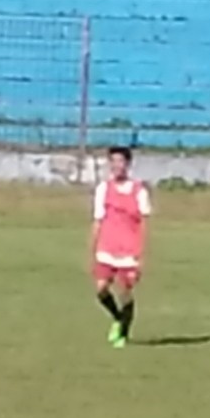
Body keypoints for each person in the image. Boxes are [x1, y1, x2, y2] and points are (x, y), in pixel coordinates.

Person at [92, 146, 150, 348]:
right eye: (113, 162)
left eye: (121, 162)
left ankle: (123, 332)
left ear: (128, 164)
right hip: (106, 247)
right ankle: (118, 318)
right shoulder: (103, 189)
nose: (117, 166)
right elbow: (98, 219)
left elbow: (143, 222)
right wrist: (93, 247)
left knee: (125, 292)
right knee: (101, 290)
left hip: (129, 250)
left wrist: (141, 254)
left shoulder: (139, 190)